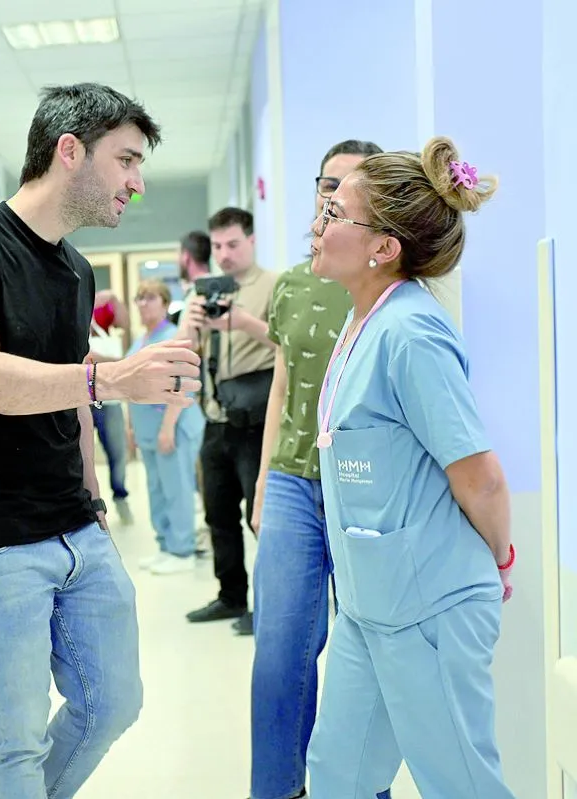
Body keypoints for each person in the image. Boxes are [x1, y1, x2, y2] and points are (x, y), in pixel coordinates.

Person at [0, 82, 202, 799]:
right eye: (126, 160)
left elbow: (72, 394)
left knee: (114, 704)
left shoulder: (76, 270)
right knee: (16, 742)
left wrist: (95, 495)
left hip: (76, 526)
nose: (137, 183)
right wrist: (113, 377)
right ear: (69, 151)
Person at [304, 137, 514, 798]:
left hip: (430, 607)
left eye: (334, 213)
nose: (317, 223)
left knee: (460, 784)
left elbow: (480, 474)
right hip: (368, 605)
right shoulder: (363, 323)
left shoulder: (411, 333)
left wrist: (500, 559)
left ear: (384, 247)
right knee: (335, 775)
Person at [248, 140, 391, 799]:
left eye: (347, 185)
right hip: (291, 479)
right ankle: (278, 789)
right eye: (324, 183)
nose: (330, 195)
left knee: (368, 657)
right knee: (280, 654)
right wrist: (261, 484)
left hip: (364, 487)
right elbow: (281, 385)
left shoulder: (390, 287)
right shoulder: (294, 283)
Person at [180, 208, 278, 633]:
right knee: (218, 514)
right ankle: (230, 596)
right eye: (217, 245)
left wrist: (242, 322)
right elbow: (184, 353)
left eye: (233, 244)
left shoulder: (274, 286)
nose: (224, 254)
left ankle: (272, 605)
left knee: (262, 518)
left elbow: (288, 344)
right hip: (215, 417)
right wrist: (190, 324)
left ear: (251, 241)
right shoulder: (202, 292)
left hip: (257, 421)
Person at [126, 279, 206, 574]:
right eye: (139, 298)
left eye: (149, 297)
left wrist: (167, 427)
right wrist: (131, 427)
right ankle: (165, 545)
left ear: (164, 303)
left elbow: (182, 384)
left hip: (173, 428)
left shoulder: (174, 337)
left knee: (177, 489)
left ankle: (182, 550)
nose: (142, 303)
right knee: (156, 490)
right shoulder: (141, 340)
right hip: (147, 429)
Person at [88, 289, 131, 503]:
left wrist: (114, 297)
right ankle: (87, 496)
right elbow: (87, 358)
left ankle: (119, 492)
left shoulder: (102, 316)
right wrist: (116, 363)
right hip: (83, 399)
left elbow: (125, 323)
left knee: (117, 451)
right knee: (82, 454)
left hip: (110, 400)